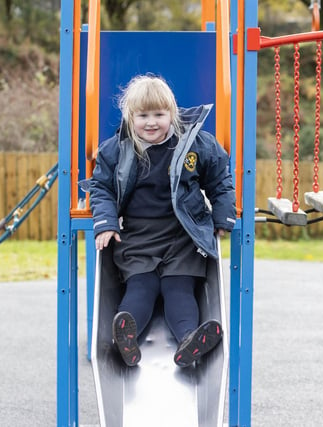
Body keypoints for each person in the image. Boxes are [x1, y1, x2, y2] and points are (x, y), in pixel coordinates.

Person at [86, 74, 236, 368]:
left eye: (159, 114)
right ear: (131, 117)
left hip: (182, 235)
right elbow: (100, 187)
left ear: (173, 113)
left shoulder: (195, 144)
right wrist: (105, 222)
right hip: (138, 236)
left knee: (178, 288)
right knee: (141, 286)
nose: (151, 122)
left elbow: (220, 179)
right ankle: (125, 338)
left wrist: (222, 214)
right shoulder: (117, 148)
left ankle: (189, 340)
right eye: (143, 115)